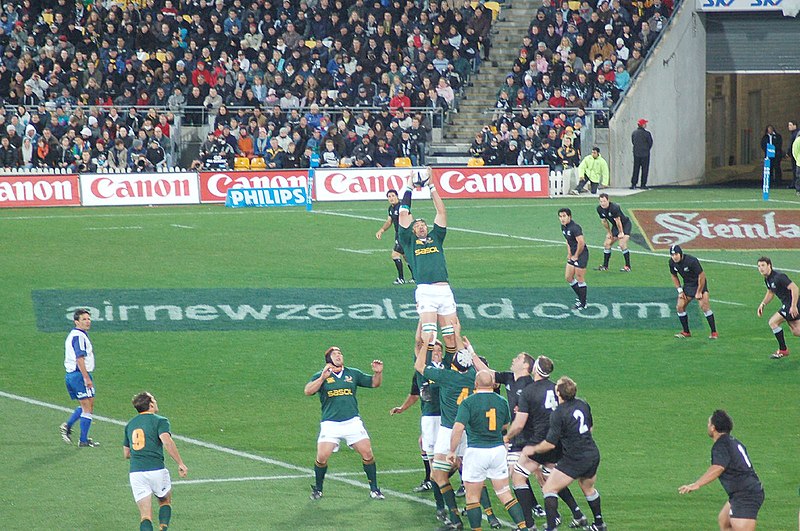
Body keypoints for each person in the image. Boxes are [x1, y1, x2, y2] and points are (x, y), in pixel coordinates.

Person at [501, 355, 589, 530]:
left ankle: (529, 524)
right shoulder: (557, 389)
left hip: (539, 443)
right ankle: (574, 515)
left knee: (518, 477)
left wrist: (507, 437)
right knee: (550, 481)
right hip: (557, 443)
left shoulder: (529, 391)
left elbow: (518, 424)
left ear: (535, 369)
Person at [467, 342, 550, 526]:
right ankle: (531, 516)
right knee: (518, 475)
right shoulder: (510, 378)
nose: (514, 359)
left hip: (533, 436)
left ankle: (550, 513)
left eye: (518, 358)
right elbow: (487, 374)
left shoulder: (532, 384)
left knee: (539, 475)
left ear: (526, 365)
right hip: (518, 436)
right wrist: (471, 352)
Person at [447, 370, 530, 531]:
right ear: (492, 384)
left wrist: (451, 451)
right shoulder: (501, 401)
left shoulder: (468, 402)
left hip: (476, 451)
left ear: (476, 384)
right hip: (497, 451)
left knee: (472, 497)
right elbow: (505, 426)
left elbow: (458, 428)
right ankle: (524, 528)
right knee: (505, 493)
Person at [398, 169, 468, 360]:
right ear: (412, 230)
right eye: (417, 224)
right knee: (428, 336)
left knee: (451, 337)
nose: (420, 225)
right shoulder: (408, 241)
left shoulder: (436, 237)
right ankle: (426, 374)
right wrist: (408, 187)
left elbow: (441, 211)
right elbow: (403, 214)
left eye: (423, 224)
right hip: (426, 291)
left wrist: (432, 186)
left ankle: (448, 370)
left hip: (444, 290)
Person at [304, 346, 385, 500]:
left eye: (340, 353)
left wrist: (378, 373)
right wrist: (322, 378)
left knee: (367, 453)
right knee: (322, 457)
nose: (339, 355)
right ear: (328, 359)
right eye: (335, 354)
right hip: (330, 424)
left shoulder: (352, 373)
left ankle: (374, 489)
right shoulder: (321, 375)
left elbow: (374, 383)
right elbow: (308, 391)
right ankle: (318, 489)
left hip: (352, 422)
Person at [414, 330, 477, 530]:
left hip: (449, 431)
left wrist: (427, 344)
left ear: (454, 364)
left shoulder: (446, 376)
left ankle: (455, 517)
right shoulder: (475, 377)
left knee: (438, 475)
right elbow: (473, 364)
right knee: (469, 475)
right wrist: (466, 347)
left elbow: (419, 365)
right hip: (468, 433)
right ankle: (481, 515)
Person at [528, 376, 606, 531]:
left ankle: (551, 528)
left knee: (549, 489)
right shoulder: (583, 404)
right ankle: (599, 524)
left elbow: (550, 443)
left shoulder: (558, 413)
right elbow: (590, 429)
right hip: (592, 454)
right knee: (588, 488)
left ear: (558, 392)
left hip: (575, 458)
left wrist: (533, 449)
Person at [678, 410, 764, 531]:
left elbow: (718, 467)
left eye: (708, 423)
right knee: (724, 521)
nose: (707, 426)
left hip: (745, 495)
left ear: (713, 428)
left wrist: (696, 484)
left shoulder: (721, 445)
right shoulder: (733, 442)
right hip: (744, 491)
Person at [123, 392, 188, 531]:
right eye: (154, 399)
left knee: (145, 516)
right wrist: (180, 463)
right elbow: (167, 442)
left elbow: (126, 453)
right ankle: (163, 528)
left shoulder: (130, 425)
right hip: (156, 469)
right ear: (151, 404)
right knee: (164, 501)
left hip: (136, 473)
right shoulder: (160, 421)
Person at [390, 338, 443, 495]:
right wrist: (402, 408)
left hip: (445, 417)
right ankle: (430, 479)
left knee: (453, 452)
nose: (438, 354)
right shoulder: (421, 372)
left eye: (440, 351)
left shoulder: (447, 369)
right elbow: (414, 394)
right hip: (430, 417)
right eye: (434, 351)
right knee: (424, 445)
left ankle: (453, 483)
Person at [60, 309, 99, 447]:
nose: (87, 321)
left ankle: (68, 426)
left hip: (76, 375)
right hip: (78, 375)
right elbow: (79, 358)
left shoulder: (78, 335)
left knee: (89, 404)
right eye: (84, 319)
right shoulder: (78, 336)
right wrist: (86, 377)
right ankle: (83, 440)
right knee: (87, 407)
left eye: (88, 319)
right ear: (76, 322)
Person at [669, 245, 718, 339]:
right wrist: (680, 290)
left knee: (704, 307)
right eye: (672, 255)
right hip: (688, 285)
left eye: (676, 254)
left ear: (680, 253)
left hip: (699, 284)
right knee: (680, 307)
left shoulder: (692, 261)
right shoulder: (671, 263)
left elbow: (702, 275)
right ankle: (686, 332)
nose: (674, 257)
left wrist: (699, 291)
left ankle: (714, 332)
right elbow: (674, 275)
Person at [756, 256, 799, 359]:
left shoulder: (779, 277)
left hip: (792, 304)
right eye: (758, 266)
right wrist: (763, 304)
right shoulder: (767, 279)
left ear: (769, 265)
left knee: (773, 322)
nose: (761, 268)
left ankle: (783, 350)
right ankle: (783, 350)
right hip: (788, 305)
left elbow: (795, 288)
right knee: (796, 331)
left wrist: (793, 306)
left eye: (763, 265)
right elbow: (771, 292)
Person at [376, 189, 414, 285]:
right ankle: (416, 277)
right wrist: (382, 230)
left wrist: (410, 231)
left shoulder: (402, 207)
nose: (391, 198)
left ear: (397, 196)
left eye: (393, 196)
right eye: (389, 196)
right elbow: (389, 221)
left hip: (404, 234)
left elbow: (410, 218)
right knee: (406, 257)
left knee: (395, 254)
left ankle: (401, 278)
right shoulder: (391, 208)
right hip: (399, 234)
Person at [559, 208, 589, 310]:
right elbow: (568, 241)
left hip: (582, 254)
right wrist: (569, 253)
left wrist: (576, 255)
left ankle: (583, 303)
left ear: (569, 217)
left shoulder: (575, 228)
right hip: (573, 254)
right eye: (560, 216)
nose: (562, 219)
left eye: (564, 216)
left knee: (580, 277)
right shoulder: (563, 227)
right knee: (568, 277)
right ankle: (581, 298)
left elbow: (581, 242)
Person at [595, 193, 632, 272]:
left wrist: (621, 232)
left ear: (608, 200)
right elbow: (604, 222)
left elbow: (618, 221)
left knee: (622, 244)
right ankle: (605, 266)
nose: (603, 203)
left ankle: (628, 266)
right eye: (601, 201)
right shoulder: (599, 209)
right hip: (615, 226)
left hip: (625, 224)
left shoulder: (614, 208)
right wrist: (609, 232)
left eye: (604, 201)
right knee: (607, 244)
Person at [630, 118, 653, 189]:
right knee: (645, 169)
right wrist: (646, 149)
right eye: (645, 123)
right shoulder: (647, 133)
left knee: (636, 169)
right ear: (642, 125)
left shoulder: (634, 133)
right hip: (645, 154)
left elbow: (633, 142)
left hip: (636, 153)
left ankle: (633, 184)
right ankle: (643, 184)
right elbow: (650, 143)